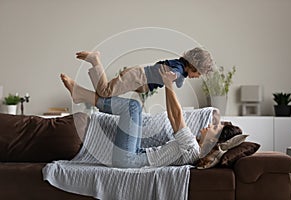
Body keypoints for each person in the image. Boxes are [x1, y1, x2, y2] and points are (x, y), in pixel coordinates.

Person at [60, 65, 241, 168]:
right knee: (135, 107)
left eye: (215, 128)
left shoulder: (193, 148)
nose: (209, 125)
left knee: (132, 107)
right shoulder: (193, 147)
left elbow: (175, 116)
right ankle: (81, 94)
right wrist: (167, 84)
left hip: (128, 161)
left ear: (215, 141)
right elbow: (173, 115)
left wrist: (168, 84)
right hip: (136, 155)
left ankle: (81, 95)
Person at [76, 47, 214, 98]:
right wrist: (175, 76)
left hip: (139, 80)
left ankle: (80, 95)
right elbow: (177, 74)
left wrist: (179, 78)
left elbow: (179, 83)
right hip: (138, 77)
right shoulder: (178, 67)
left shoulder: (181, 69)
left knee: (106, 94)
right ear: (193, 66)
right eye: (199, 74)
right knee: (105, 92)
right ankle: (95, 61)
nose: (197, 77)